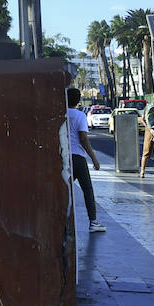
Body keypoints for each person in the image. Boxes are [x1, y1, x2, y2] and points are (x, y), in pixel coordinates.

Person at [67, 87, 106, 233]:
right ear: (78, 101)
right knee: (87, 189)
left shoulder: (61, 114)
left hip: (64, 157)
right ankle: (93, 221)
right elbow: (83, 138)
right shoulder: (80, 116)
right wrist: (94, 158)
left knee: (65, 189)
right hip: (78, 157)